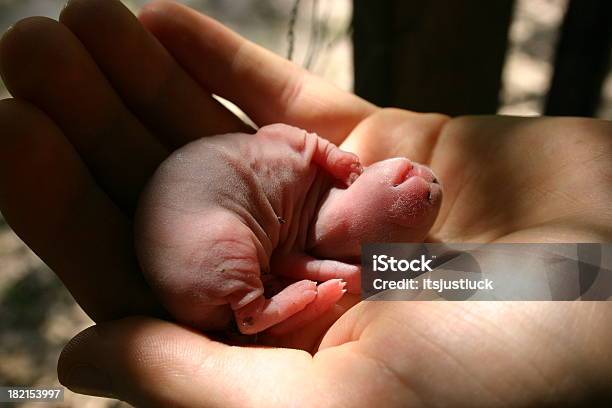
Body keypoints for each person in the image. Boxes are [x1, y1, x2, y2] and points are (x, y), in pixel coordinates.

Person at [0, 0, 610, 406]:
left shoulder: (299, 224)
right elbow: (302, 186)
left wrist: (337, 276)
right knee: (237, 259)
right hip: (205, 236)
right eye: (415, 185)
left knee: (258, 264)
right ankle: (250, 307)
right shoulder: (297, 161)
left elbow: (312, 259)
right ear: (365, 171)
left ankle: (252, 307)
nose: (426, 184)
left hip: (211, 254)